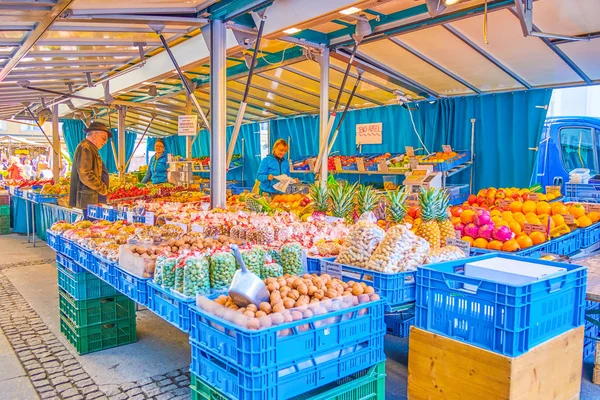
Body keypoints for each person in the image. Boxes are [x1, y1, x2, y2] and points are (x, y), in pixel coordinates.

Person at [69, 122, 110, 213]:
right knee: (91, 224)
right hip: (88, 199)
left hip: (91, 199)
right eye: (103, 138)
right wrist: (101, 187)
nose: (105, 142)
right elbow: (85, 174)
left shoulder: (90, 148)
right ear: (94, 135)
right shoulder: (86, 148)